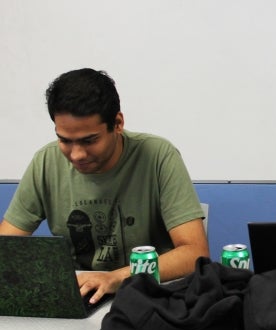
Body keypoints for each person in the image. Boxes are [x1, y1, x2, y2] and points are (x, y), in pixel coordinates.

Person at [0, 68, 209, 302]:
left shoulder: (159, 155)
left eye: (89, 140)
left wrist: (116, 278)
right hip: (81, 294)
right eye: (64, 140)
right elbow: (6, 248)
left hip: (150, 295)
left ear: (117, 123)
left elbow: (194, 253)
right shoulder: (45, 162)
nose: (77, 154)